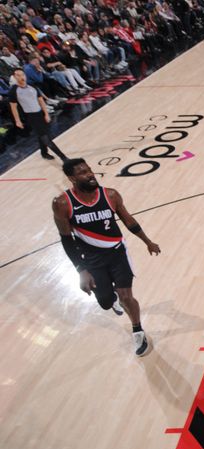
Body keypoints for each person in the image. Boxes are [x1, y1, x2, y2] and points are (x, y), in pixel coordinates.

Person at [52, 159, 161, 355]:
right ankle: (111, 299)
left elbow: (129, 221)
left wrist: (148, 241)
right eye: (83, 172)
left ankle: (138, 331)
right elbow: (67, 239)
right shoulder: (62, 203)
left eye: (90, 170)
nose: (90, 174)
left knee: (127, 296)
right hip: (91, 258)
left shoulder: (110, 195)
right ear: (71, 178)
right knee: (104, 301)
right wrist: (81, 270)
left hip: (118, 253)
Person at [8, 67, 67, 160]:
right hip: (31, 116)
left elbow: (41, 100)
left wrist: (46, 113)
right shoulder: (13, 91)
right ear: (14, 77)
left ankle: (44, 153)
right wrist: (17, 121)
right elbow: (13, 107)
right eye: (18, 75)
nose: (21, 77)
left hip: (40, 113)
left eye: (22, 74)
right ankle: (63, 158)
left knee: (42, 135)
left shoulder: (32, 86)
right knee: (45, 137)